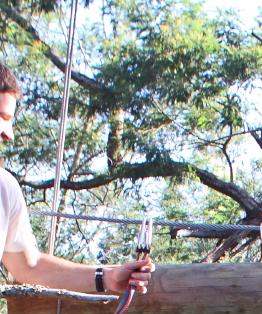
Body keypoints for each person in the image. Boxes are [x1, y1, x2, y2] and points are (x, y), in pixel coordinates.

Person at [0, 63, 152, 299]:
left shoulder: (4, 188)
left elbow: (30, 267)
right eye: (2, 117)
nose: (9, 134)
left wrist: (108, 277)